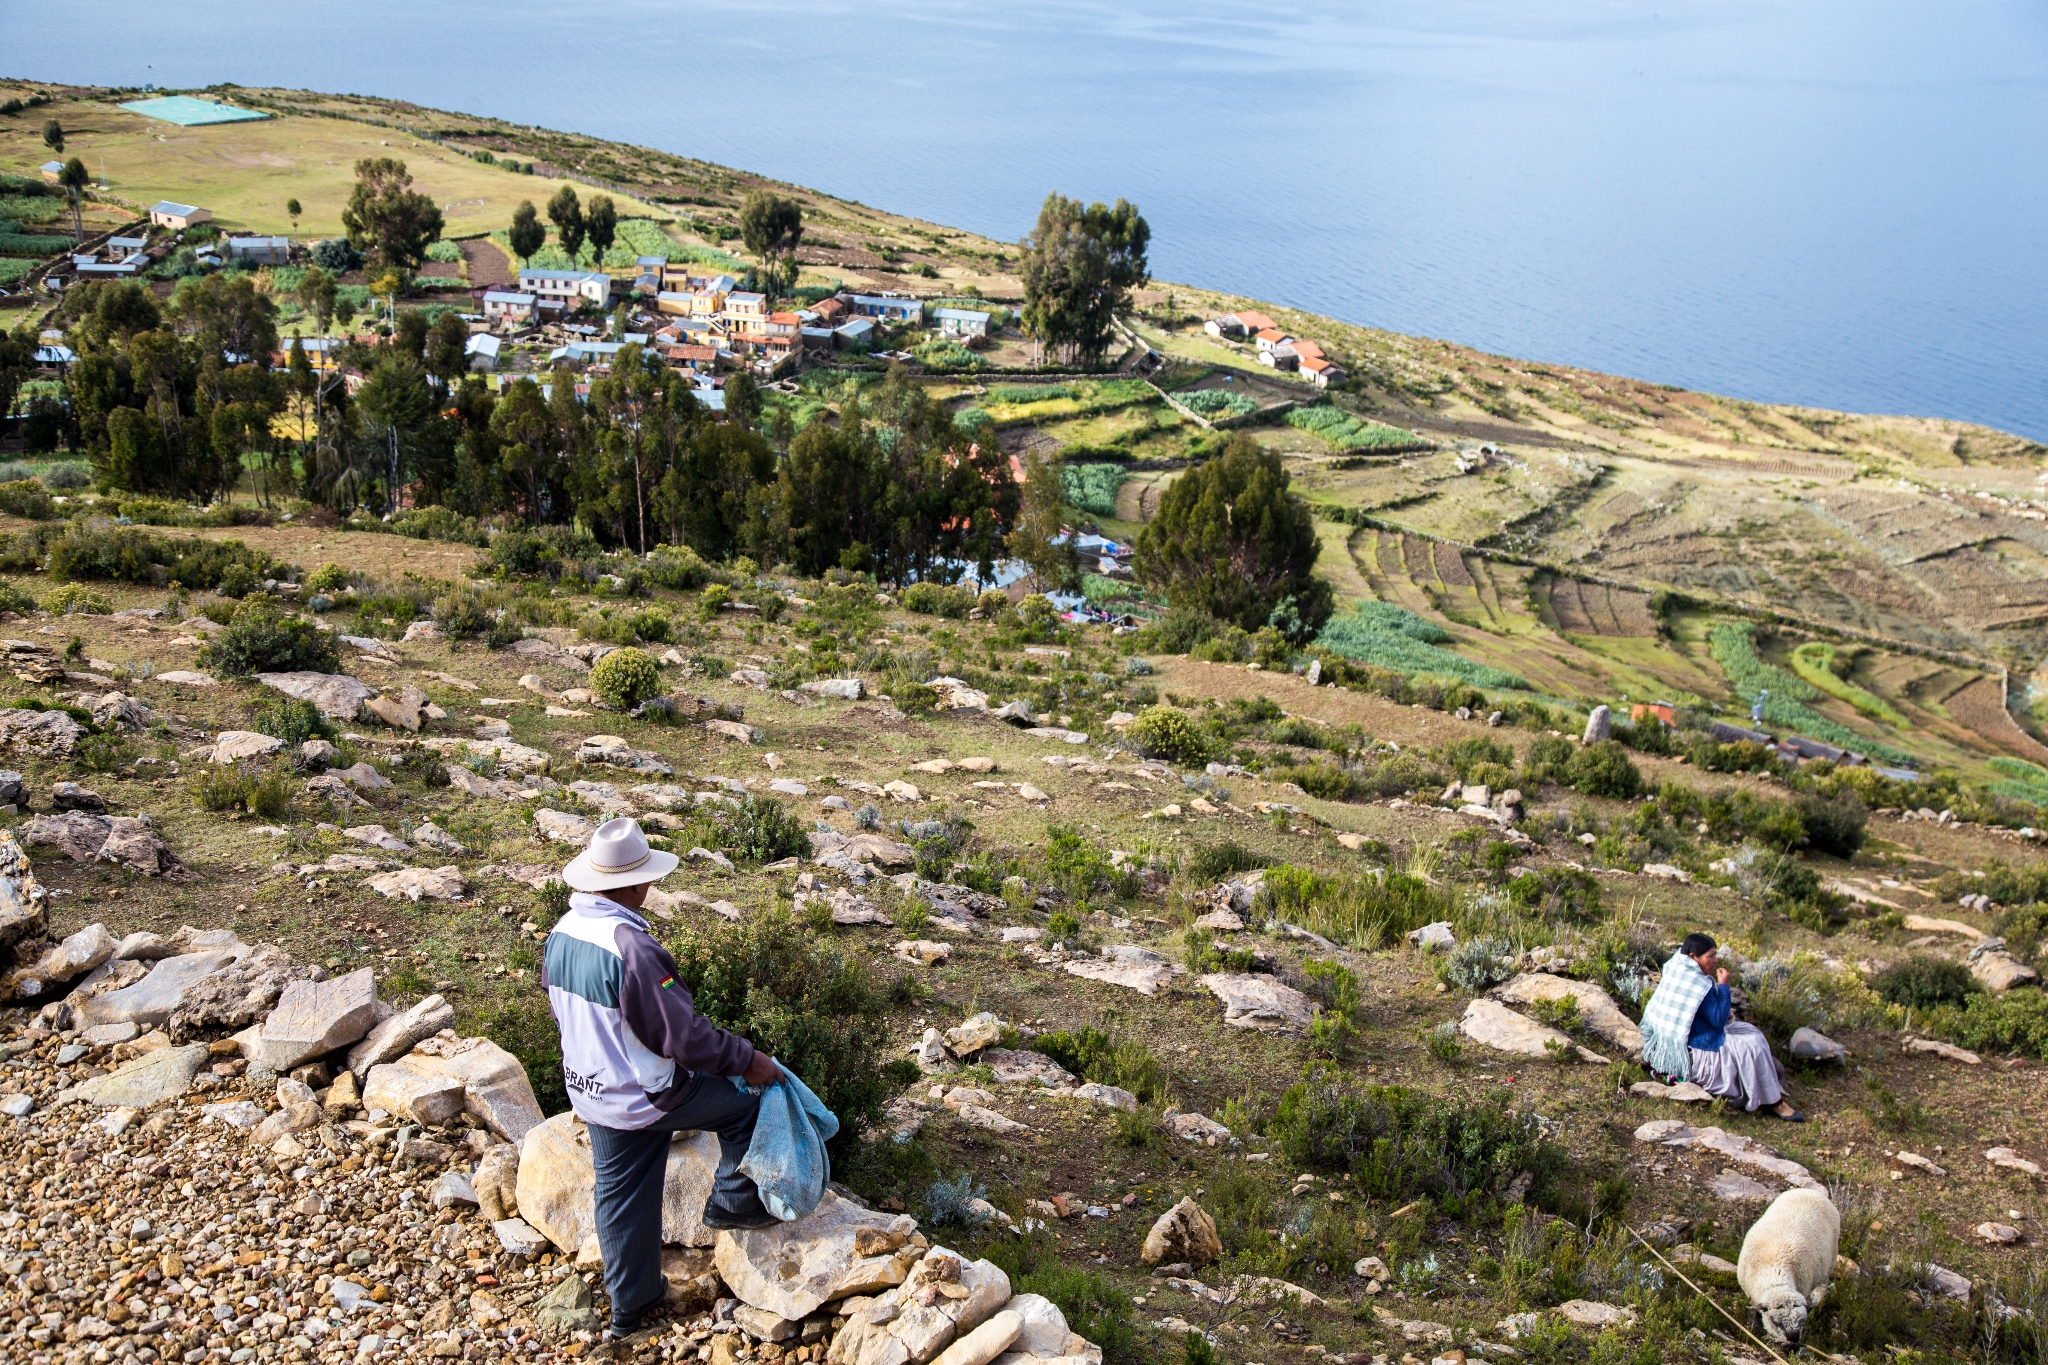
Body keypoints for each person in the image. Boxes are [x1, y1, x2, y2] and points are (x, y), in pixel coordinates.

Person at [542, 817, 788, 1341]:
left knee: (620, 1194)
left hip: (591, 1090)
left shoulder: (561, 934)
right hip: (650, 1094)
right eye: (647, 877)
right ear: (630, 884)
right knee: (745, 1106)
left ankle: (630, 1309)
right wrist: (747, 1059)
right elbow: (684, 1038)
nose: (651, 886)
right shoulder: (633, 948)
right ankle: (732, 1203)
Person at [1640, 932, 1803, 1121]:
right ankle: (1774, 1103)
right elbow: (1718, 1018)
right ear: (1694, 957)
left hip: (1674, 1045)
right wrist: (1723, 986)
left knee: (1749, 1032)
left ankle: (1769, 1092)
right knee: (1753, 1044)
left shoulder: (1676, 968)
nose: (1715, 960)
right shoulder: (1699, 984)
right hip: (1695, 1052)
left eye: (1715, 955)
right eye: (1710, 956)